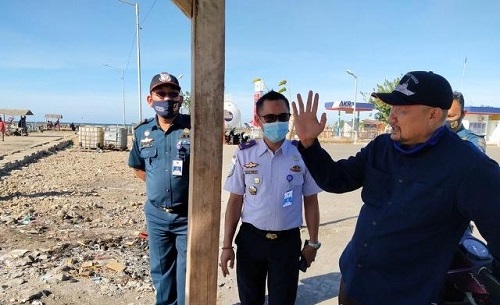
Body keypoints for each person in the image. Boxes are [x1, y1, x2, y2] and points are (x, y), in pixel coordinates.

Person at [291, 71, 500, 305]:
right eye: (391, 108)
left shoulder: (470, 168)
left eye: (401, 110)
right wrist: (309, 145)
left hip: (403, 296)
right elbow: (337, 180)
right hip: (353, 281)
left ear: (432, 115)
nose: (391, 117)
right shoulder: (381, 147)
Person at [219, 90, 322, 305]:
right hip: (251, 242)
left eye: (283, 117)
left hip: (287, 244)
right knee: (250, 300)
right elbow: (235, 201)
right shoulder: (244, 154)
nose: (278, 122)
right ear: (259, 120)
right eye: (270, 118)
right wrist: (227, 246)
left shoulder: (301, 154)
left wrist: (312, 243)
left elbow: (311, 201)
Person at [128, 72, 190, 305]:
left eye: (172, 94)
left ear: (180, 99)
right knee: (161, 272)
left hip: (188, 215)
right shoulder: (142, 132)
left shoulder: (195, 127)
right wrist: (160, 187)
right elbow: (138, 167)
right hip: (156, 215)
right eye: (160, 93)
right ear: (150, 99)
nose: (167, 98)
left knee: (186, 273)